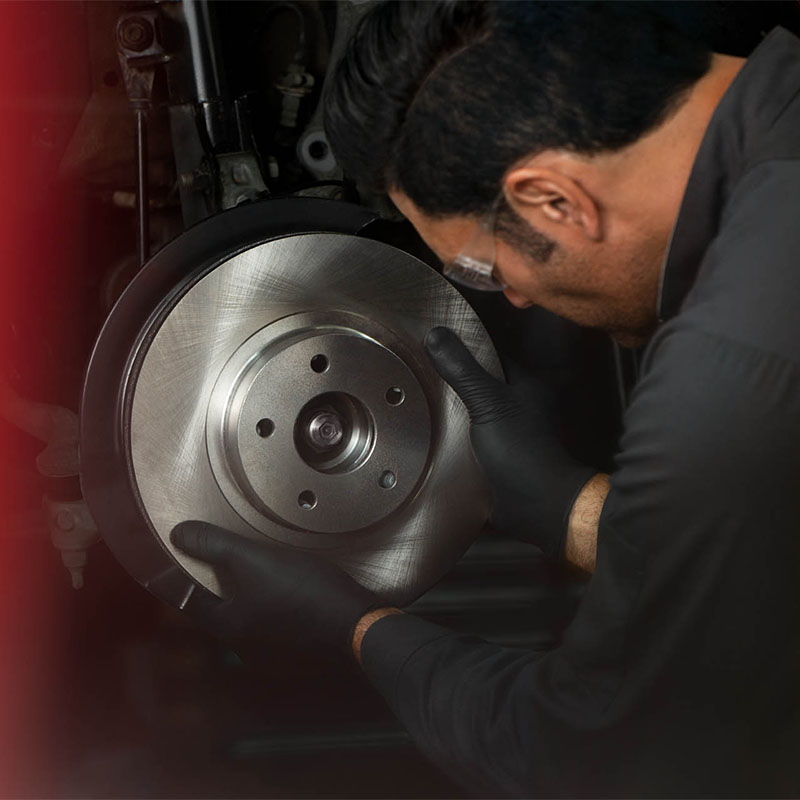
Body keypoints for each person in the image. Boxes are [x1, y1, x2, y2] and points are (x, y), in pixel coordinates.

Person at [169, 2, 800, 795]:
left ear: (554, 201)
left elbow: (597, 754)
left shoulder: (721, 370)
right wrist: (571, 507)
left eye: (483, 269)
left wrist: (352, 630)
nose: (517, 300)